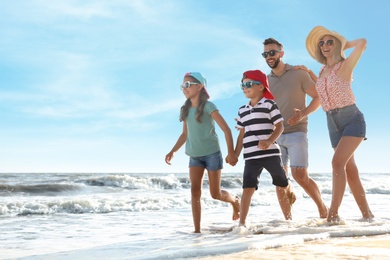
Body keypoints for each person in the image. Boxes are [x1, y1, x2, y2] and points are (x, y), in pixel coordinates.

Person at [305, 26, 374, 223]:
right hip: (332, 122)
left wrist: (344, 44)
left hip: (351, 118)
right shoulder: (322, 70)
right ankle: (367, 215)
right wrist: (308, 71)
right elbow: (323, 88)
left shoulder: (345, 66)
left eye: (330, 42)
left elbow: (362, 42)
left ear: (337, 45)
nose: (325, 45)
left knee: (337, 163)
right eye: (322, 43)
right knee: (349, 169)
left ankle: (332, 214)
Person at [165, 72, 240, 233]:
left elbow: (226, 130)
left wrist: (232, 152)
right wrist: (173, 151)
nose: (184, 88)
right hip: (194, 156)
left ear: (199, 86)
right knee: (194, 192)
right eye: (182, 86)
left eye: (187, 85)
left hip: (212, 154)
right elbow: (185, 134)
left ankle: (234, 201)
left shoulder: (208, 106)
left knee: (215, 193)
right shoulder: (184, 109)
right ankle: (197, 230)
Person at [262, 38, 328, 218]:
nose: (269, 56)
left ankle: (323, 209)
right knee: (279, 180)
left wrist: (303, 113)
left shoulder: (298, 74)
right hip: (275, 135)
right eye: (265, 54)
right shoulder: (265, 81)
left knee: (299, 175)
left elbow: (318, 98)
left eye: (272, 53)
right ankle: (288, 222)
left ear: (281, 54)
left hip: (297, 131)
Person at [234, 69, 296, 227]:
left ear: (261, 86)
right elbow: (241, 135)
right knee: (248, 187)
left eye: (248, 84)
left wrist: (269, 141)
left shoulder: (269, 105)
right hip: (250, 156)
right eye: (243, 85)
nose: (244, 88)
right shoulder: (242, 110)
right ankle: (242, 224)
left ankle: (289, 220)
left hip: (270, 153)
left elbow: (280, 126)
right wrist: (235, 153)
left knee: (281, 184)